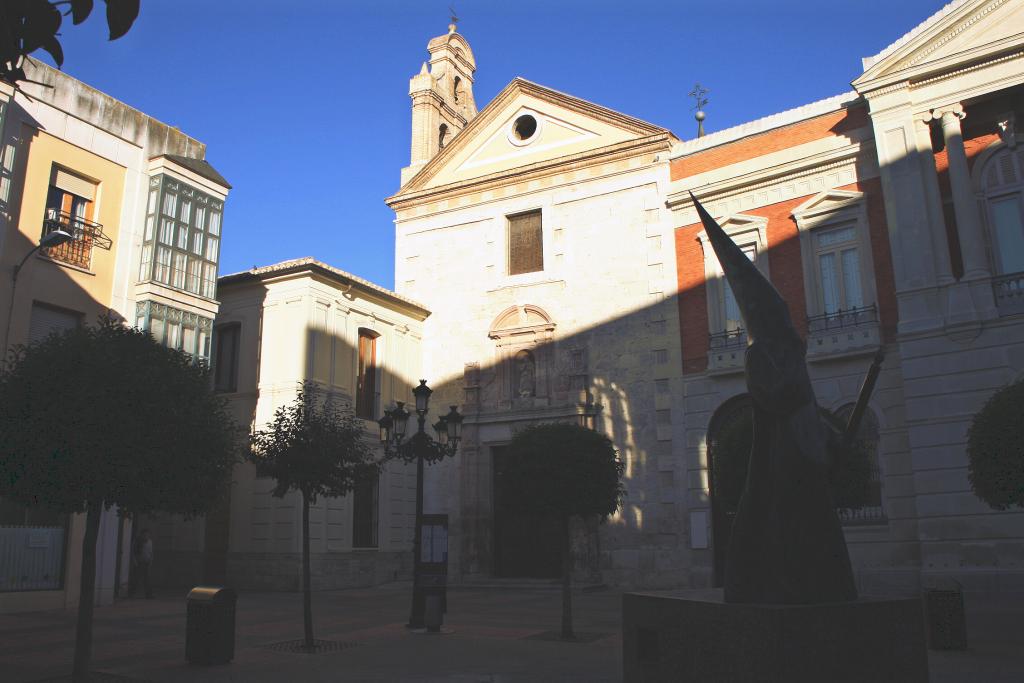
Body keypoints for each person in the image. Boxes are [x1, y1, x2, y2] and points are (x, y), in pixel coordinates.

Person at [128, 528, 154, 598]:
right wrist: (135, 562)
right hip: (139, 562)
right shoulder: (138, 541)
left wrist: (151, 561)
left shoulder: (150, 542)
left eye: (148, 534)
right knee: (135, 579)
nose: (146, 536)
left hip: (147, 562)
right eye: (145, 534)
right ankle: (131, 593)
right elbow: (133, 552)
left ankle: (149, 594)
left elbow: (151, 552)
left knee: (148, 579)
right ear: (142, 535)